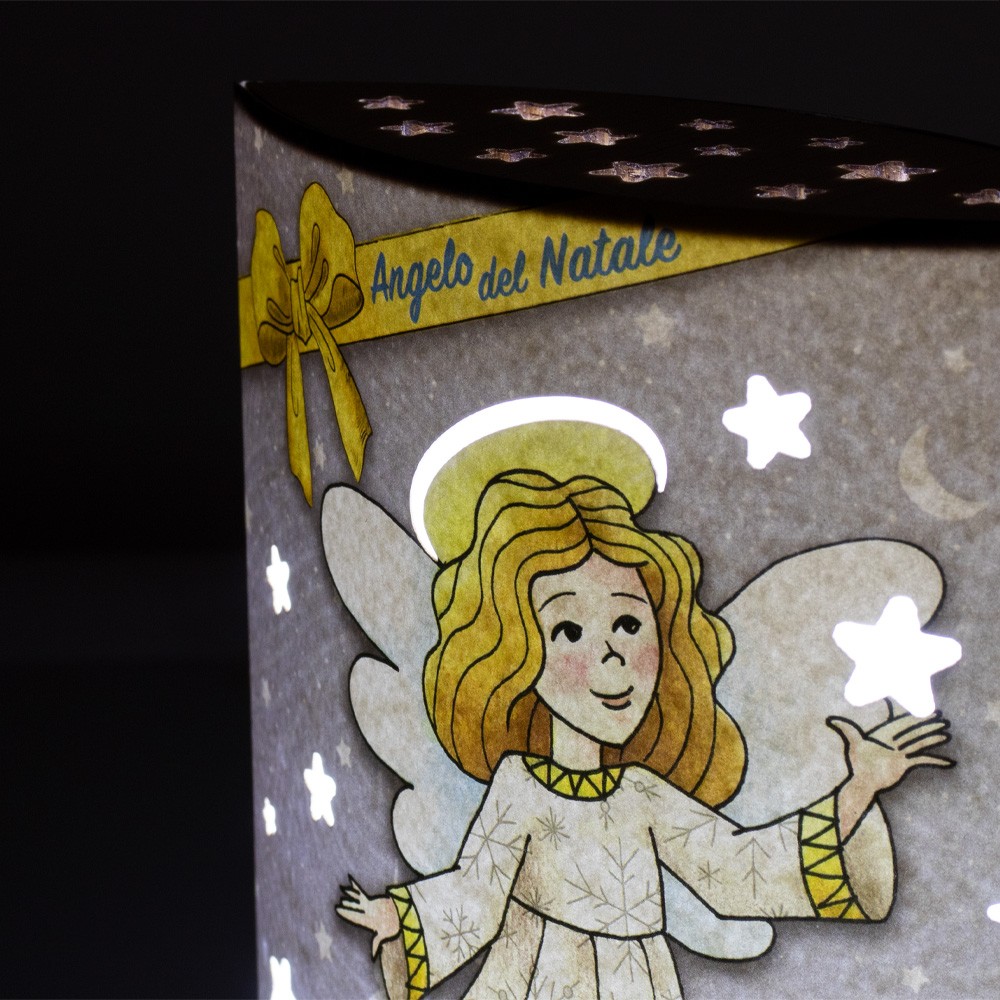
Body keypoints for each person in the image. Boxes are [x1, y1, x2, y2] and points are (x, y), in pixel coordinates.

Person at [338, 471, 951, 1000]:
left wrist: (858, 790)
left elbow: (735, 872)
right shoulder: (520, 786)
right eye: (569, 632)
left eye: (629, 623)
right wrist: (398, 917)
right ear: (518, 653)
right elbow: (476, 892)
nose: (612, 655)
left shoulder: (643, 794)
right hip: (535, 976)